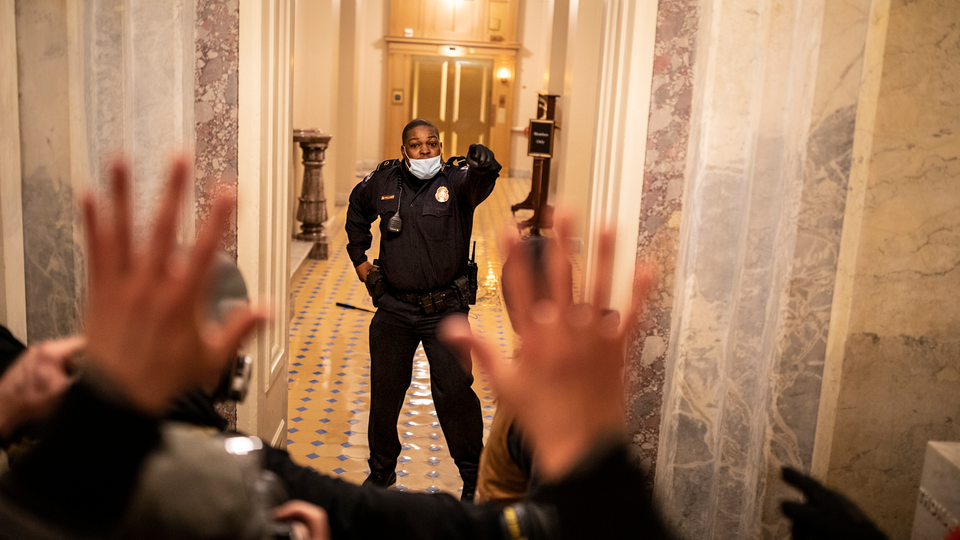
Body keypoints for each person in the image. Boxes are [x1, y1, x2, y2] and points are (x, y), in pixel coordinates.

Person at [345, 118, 499, 500]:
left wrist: (485, 165)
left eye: (432, 143)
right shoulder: (383, 181)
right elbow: (356, 210)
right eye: (416, 145)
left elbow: (480, 184)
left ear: (441, 146)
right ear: (404, 151)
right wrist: (360, 261)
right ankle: (381, 473)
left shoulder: (457, 181)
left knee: (456, 395)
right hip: (394, 310)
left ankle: (472, 478)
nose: (426, 150)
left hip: (445, 310)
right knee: (385, 395)